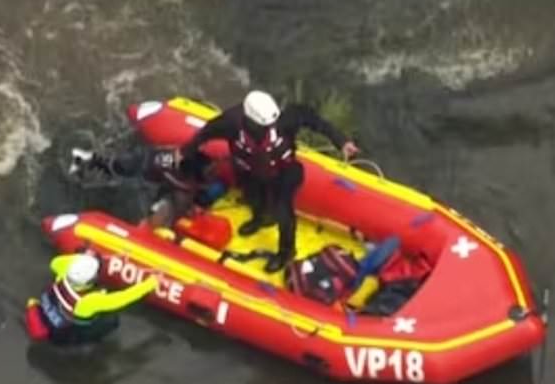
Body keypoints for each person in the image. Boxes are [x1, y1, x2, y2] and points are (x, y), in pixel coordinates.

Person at [177, 90, 359, 273]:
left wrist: (341, 142)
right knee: (252, 197)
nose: (271, 127)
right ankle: (260, 218)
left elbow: (316, 121)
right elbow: (206, 132)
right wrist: (184, 151)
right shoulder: (231, 122)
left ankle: (286, 252)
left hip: (285, 172)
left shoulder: (286, 118)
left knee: (283, 210)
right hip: (250, 171)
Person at [69, 145, 225, 228]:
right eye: (210, 170)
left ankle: (92, 161)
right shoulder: (177, 175)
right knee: (117, 167)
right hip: (146, 175)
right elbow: (181, 196)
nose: (214, 171)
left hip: (155, 168)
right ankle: (87, 160)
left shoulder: (187, 164)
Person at [24, 252, 158, 346]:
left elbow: (55, 262)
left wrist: (82, 258)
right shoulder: (89, 302)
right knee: (112, 320)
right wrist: (150, 284)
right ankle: (90, 344)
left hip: (52, 320)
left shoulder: (62, 273)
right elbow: (123, 298)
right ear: (89, 281)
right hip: (64, 337)